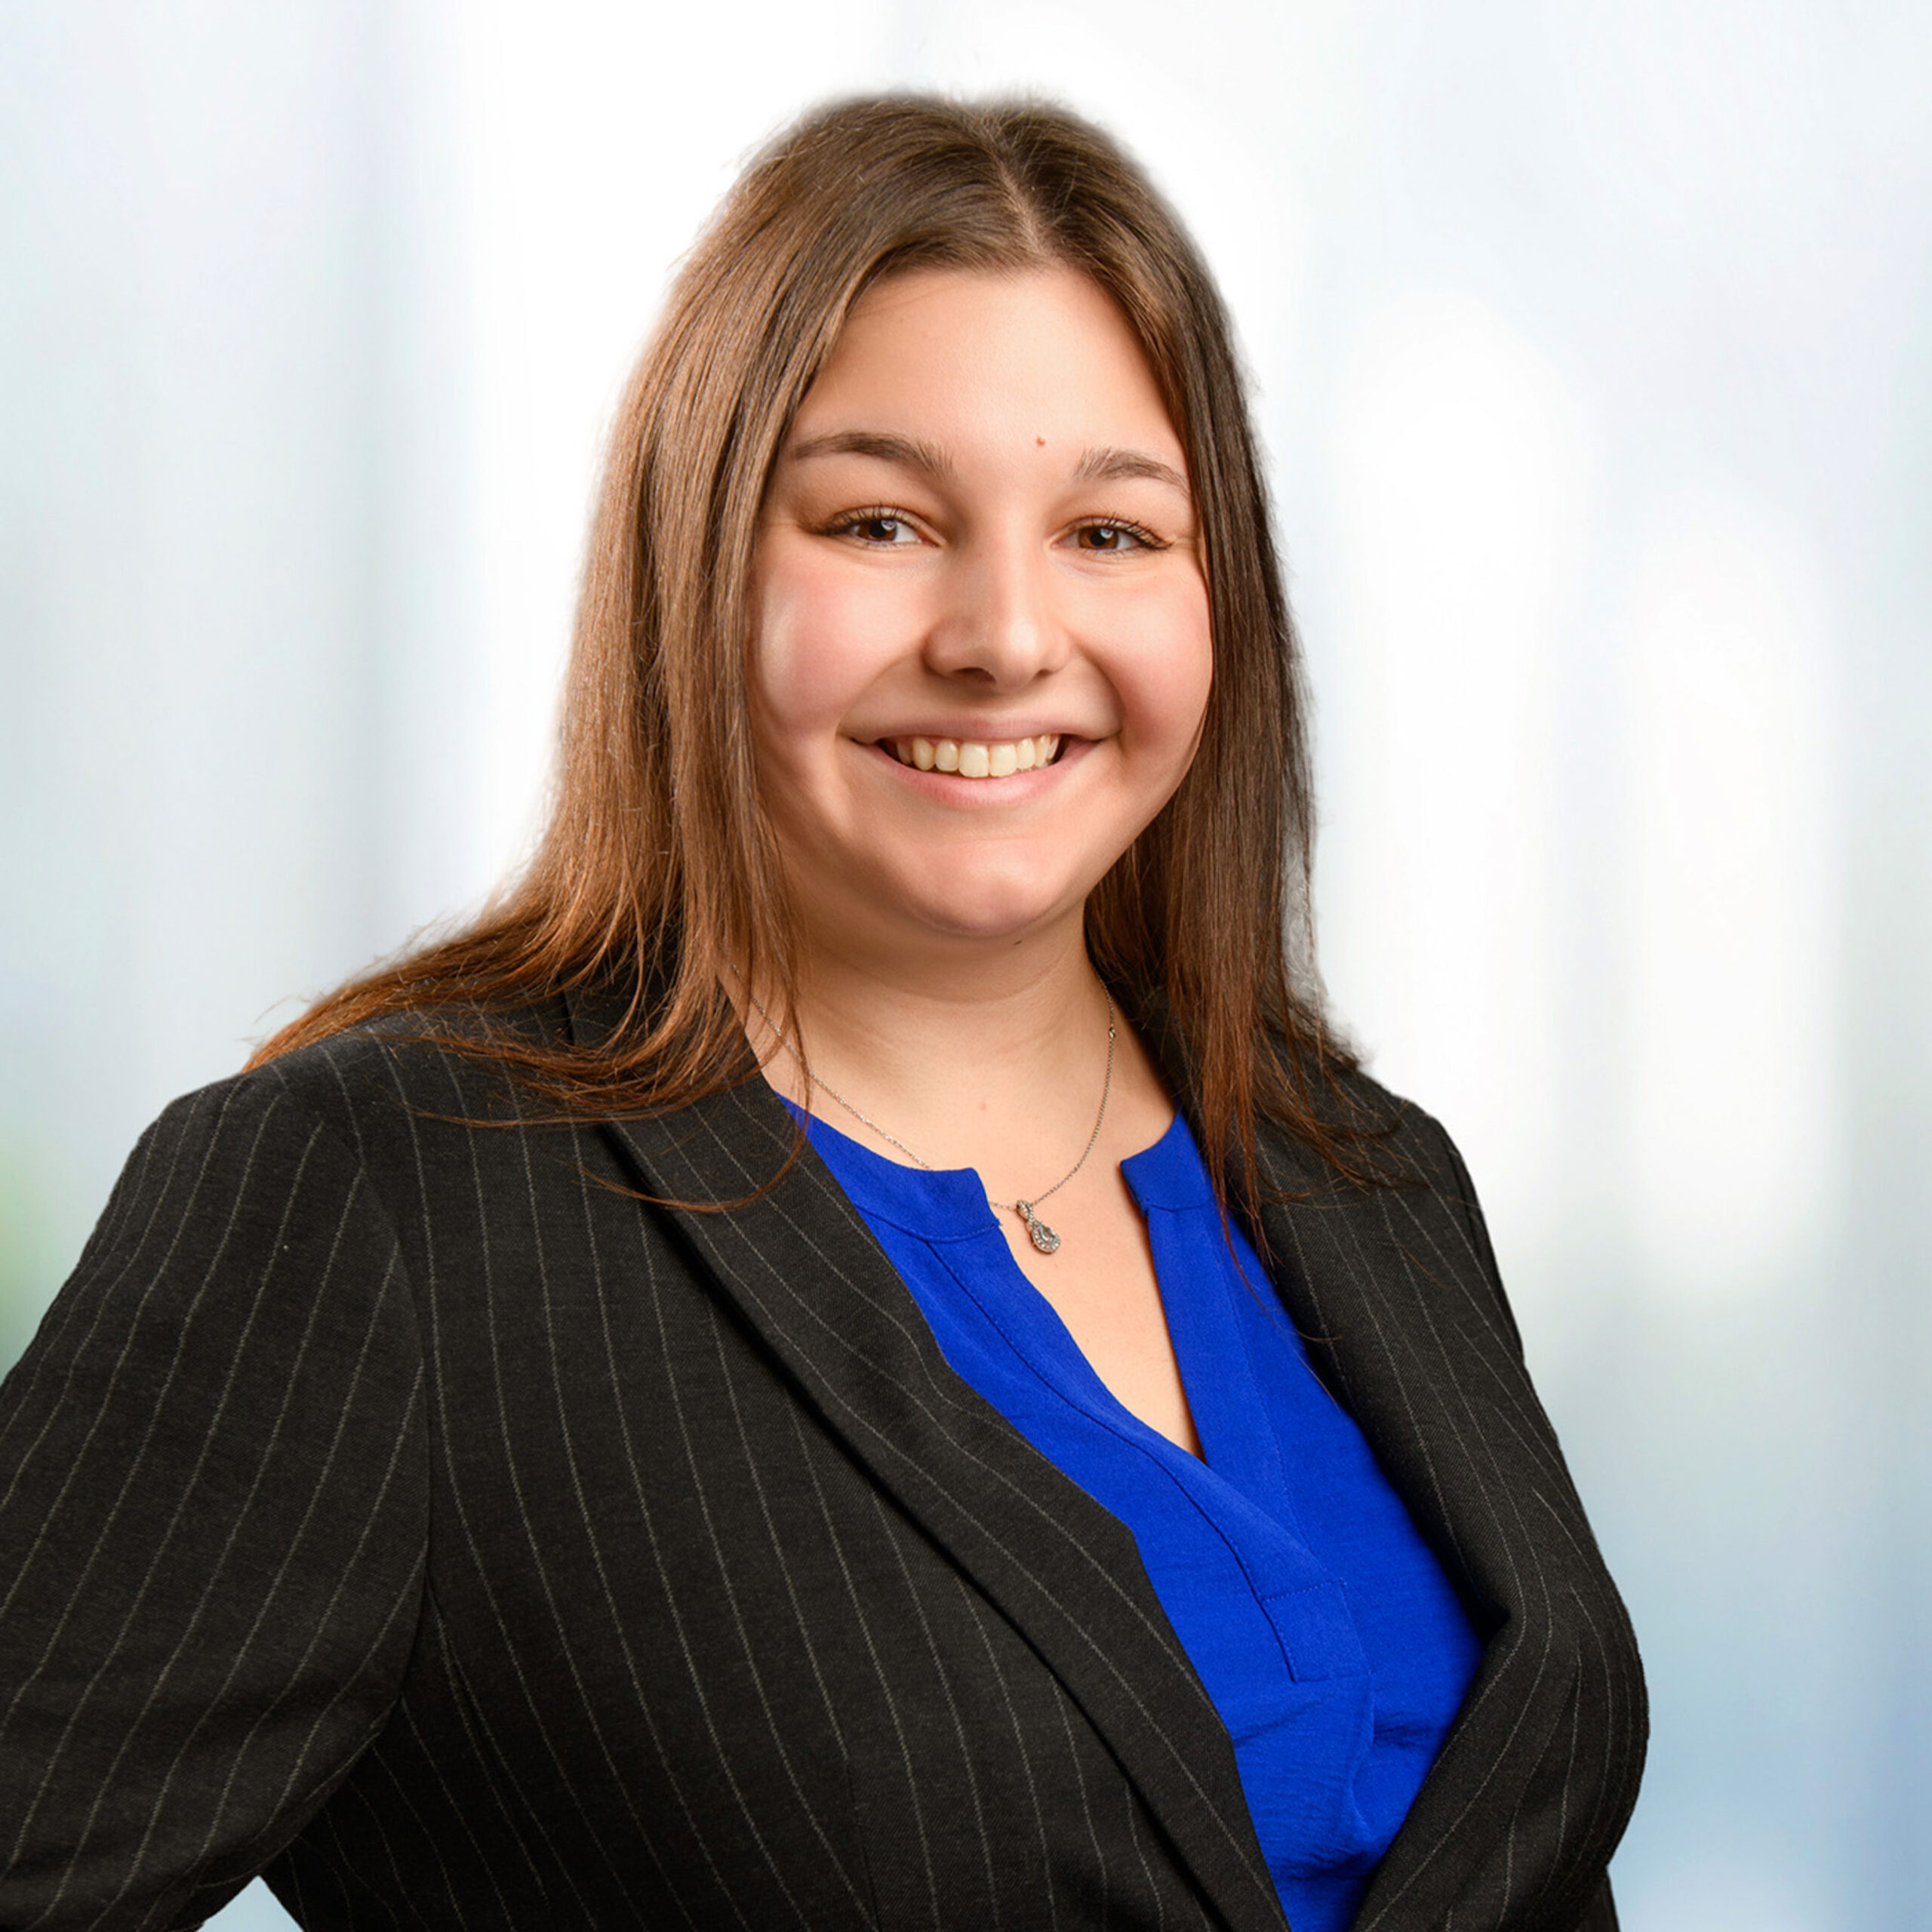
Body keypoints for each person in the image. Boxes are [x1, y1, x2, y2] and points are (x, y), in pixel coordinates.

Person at [0, 96, 1644, 1931]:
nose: (1005, 632)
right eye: (879, 518)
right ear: (696, 567)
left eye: (1110, 530)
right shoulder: (376, 1204)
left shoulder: (1365, 1175)